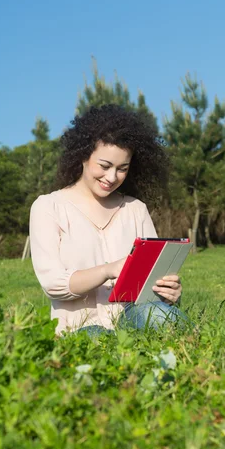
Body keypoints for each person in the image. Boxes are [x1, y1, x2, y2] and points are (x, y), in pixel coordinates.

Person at [29, 104, 184, 336]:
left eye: (122, 169)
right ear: (82, 155)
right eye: (104, 166)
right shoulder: (48, 207)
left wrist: (169, 294)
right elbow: (53, 284)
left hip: (130, 322)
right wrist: (108, 270)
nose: (112, 177)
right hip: (79, 329)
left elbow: (150, 281)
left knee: (163, 315)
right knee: (96, 337)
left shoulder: (135, 209)